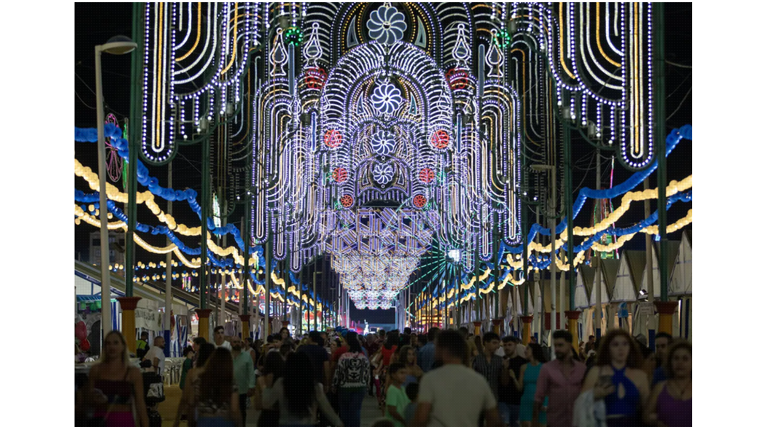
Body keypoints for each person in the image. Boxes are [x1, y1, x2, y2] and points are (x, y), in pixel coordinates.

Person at [411, 330, 502, 427]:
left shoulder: (431, 379)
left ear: (442, 350)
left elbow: (421, 418)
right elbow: (494, 419)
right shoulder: (478, 380)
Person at [581, 329, 650, 427]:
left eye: (625, 344)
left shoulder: (639, 375)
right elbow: (581, 402)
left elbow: (647, 409)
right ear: (608, 348)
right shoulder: (597, 372)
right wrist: (594, 394)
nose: (621, 348)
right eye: (615, 344)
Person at [262, 351, 344, 427]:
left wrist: (267, 387)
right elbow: (326, 408)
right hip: (308, 424)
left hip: (285, 423)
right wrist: (338, 423)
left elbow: (267, 403)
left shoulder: (281, 383)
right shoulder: (314, 386)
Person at [86, 330, 149, 427]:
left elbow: (140, 404)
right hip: (100, 421)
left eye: (116, 343)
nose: (112, 347)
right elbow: (88, 401)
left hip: (123, 421)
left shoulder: (133, 373)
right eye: (108, 343)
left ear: (123, 346)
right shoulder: (96, 370)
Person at [533, 330, 586, 427]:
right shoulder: (547, 369)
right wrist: (535, 422)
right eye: (555, 346)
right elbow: (538, 398)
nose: (557, 349)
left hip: (578, 421)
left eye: (560, 345)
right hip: (555, 422)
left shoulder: (581, 369)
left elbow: (587, 395)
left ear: (570, 345)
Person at [187, 347, 243, 427]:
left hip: (204, 421)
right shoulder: (230, 383)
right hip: (224, 421)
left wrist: (191, 423)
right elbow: (234, 409)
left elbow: (191, 403)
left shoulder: (199, 381)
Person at [644, 341, 692, 427]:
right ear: (670, 362)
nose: (680, 363)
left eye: (685, 359)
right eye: (676, 358)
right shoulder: (660, 387)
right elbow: (646, 416)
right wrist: (656, 421)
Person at [332, 333, 371, 427]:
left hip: (345, 387)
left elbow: (338, 372)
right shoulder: (363, 358)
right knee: (356, 410)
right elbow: (367, 373)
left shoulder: (344, 357)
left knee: (344, 410)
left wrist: (334, 384)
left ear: (350, 346)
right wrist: (367, 385)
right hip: (360, 387)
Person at [174, 343, 216, 427]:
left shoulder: (193, 373)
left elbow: (184, 398)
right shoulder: (220, 373)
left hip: (199, 415)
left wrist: (177, 419)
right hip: (217, 415)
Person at [512, 343, 548, 427]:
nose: (525, 351)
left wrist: (546, 402)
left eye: (527, 349)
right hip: (526, 402)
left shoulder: (545, 367)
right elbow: (520, 388)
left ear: (534, 350)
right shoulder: (524, 367)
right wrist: (513, 378)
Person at [498, 336, 527, 427]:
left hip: (518, 401)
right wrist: (505, 369)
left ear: (515, 346)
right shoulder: (500, 361)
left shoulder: (523, 362)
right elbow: (502, 382)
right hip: (503, 400)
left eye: (509, 345)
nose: (507, 347)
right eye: (505, 345)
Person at [254, 352, 285, 427]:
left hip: (266, 418)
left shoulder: (260, 380)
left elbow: (257, 406)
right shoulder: (285, 381)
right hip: (282, 417)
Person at [472, 332, 504, 401]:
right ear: (486, 343)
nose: (497, 346)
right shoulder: (476, 360)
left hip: (495, 397)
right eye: (494, 343)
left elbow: (504, 381)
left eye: (497, 343)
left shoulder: (500, 360)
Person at [231, 336, 256, 425]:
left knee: (242, 412)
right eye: (235, 342)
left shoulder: (246, 356)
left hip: (242, 389)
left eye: (238, 342)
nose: (237, 343)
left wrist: (251, 386)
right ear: (231, 343)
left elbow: (251, 372)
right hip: (229, 390)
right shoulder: (227, 356)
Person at [377, 331, 400, 410]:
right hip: (394, 370)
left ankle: (383, 403)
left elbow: (377, 359)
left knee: (383, 388)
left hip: (384, 370)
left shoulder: (383, 347)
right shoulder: (396, 349)